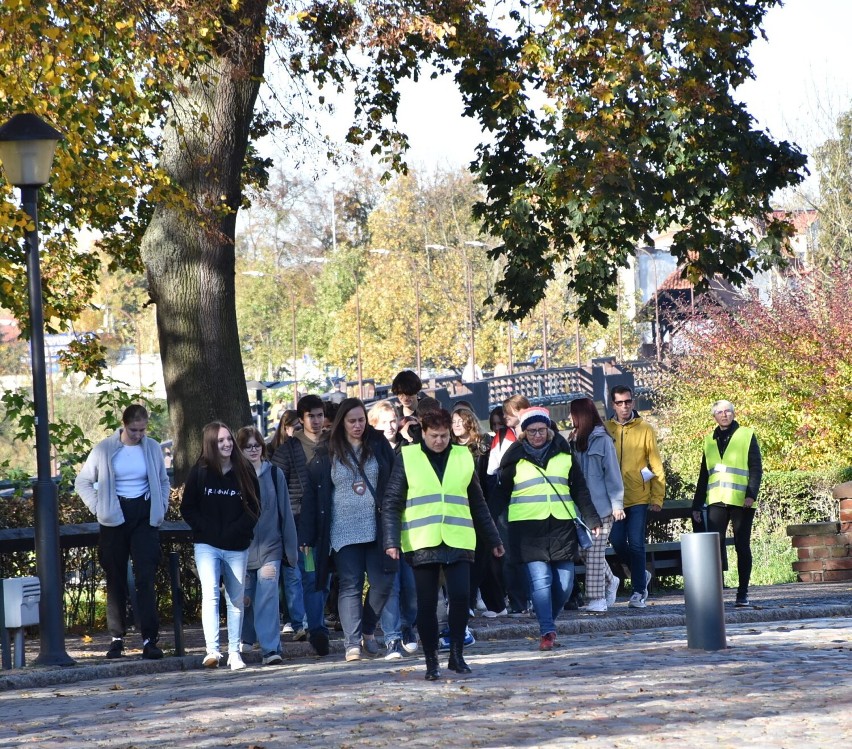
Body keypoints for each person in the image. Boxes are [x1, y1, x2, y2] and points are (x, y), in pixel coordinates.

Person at [383, 409, 504, 680]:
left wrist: (493, 539)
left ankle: (457, 654)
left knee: (461, 598)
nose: (439, 441)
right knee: (426, 604)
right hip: (422, 539)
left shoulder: (463, 456)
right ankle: (431, 661)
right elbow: (392, 502)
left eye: (444, 436)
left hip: (458, 538)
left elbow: (478, 502)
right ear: (422, 433)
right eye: (434, 436)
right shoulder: (408, 457)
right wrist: (391, 540)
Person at [494, 407, 601, 651]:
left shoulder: (564, 455)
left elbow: (580, 490)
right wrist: (488, 525)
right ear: (524, 433)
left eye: (542, 429)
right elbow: (499, 496)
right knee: (541, 582)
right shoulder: (513, 459)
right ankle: (547, 630)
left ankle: (547, 620)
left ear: (549, 430)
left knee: (564, 585)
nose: (537, 435)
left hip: (561, 526)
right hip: (528, 529)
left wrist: (592, 519)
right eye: (532, 431)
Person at [300, 398, 397, 662]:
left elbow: (395, 482)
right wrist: (307, 535)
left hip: (377, 527)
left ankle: (367, 628)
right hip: (343, 529)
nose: (357, 425)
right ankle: (352, 644)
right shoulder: (326, 451)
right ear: (342, 422)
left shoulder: (378, 444)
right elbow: (312, 496)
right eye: (352, 421)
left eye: (361, 420)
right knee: (350, 586)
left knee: (383, 582)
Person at [75, 404, 171, 660]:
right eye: (133, 430)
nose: (138, 435)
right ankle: (117, 638)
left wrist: (160, 506)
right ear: (124, 424)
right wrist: (100, 508)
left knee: (146, 576)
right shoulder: (105, 449)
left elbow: (162, 480)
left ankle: (150, 639)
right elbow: (82, 481)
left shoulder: (151, 447)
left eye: (142, 430)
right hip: (115, 516)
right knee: (115, 577)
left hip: (144, 514)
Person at [180, 422, 260, 669]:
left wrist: (236, 530)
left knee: (236, 599)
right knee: (211, 593)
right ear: (210, 445)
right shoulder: (200, 471)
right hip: (208, 545)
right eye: (220, 441)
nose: (226, 444)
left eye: (228, 439)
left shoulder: (244, 469)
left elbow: (255, 507)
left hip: (237, 546)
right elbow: (188, 508)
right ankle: (213, 650)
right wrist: (208, 529)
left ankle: (235, 652)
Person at [269, 394, 331, 655]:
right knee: (309, 577)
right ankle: (316, 628)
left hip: (330, 521)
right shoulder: (289, 450)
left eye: (319, 415)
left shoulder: (332, 445)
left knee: (325, 578)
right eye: (311, 416)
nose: (316, 421)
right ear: (302, 418)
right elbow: (275, 484)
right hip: (300, 523)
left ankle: (317, 621)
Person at [235, 425, 298, 665]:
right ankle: (246, 636)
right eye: (247, 446)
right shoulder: (234, 476)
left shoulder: (274, 474)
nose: (253, 450)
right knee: (247, 598)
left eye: (257, 445)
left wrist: (290, 550)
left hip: (271, 547)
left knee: (268, 594)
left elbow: (285, 513)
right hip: (243, 549)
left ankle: (271, 649)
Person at [691, 400, 762, 607]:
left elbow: (756, 468)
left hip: (742, 502)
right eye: (720, 412)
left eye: (728, 411)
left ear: (733, 413)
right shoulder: (708, 440)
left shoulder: (746, 434)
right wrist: (697, 504)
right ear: (714, 416)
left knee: (742, 546)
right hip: (717, 500)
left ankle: (742, 592)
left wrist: (751, 494)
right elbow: (704, 474)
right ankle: (714, 594)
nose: (724, 415)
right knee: (714, 548)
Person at [606, 385, 665, 608]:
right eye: (619, 403)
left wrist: (657, 497)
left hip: (639, 495)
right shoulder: (605, 428)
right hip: (615, 498)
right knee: (618, 541)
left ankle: (639, 590)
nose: (624, 406)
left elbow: (656, 464)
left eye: (628, 401)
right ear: (613, 404)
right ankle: (641, 574)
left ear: (633, 402)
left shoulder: (645, 429)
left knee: (637, 544)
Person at [369, 400, 419, 659]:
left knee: (411, 586)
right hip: (382, 522)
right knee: (391, 585)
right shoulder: (370, 451)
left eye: (393, 421)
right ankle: (392, 637)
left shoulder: (408, 448)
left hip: (409, 522)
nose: (389, 426)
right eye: (383, 422)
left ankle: (408, 625)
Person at [569, 397, 625, 612]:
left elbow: (613, 474)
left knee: (593, 553)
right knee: (585, 552)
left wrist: (617, 504)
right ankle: (612, 581)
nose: (568, 417)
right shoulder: (573, 440)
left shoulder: (603, 440)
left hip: (602, 507)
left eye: (571, 413)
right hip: (580, 509)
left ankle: (597, 599)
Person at [452, 407, 505, 617]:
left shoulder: (483, 446)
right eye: (453, 421)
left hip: (481, 505)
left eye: (460, 421)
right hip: (460, 508)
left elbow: (489, 479)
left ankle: (481, 603)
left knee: (482, 558)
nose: (456, 425)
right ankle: (493, 604)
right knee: (475, 559)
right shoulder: (451, 448)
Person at [485, 394, 531, 617]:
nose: (504, 417)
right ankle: (518, 601)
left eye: (507, 412)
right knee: (510, 555)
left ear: (521, 410)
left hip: (534, 502)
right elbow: (492, 470)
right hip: (507, 502)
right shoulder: (502, 436)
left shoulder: (539, 431)